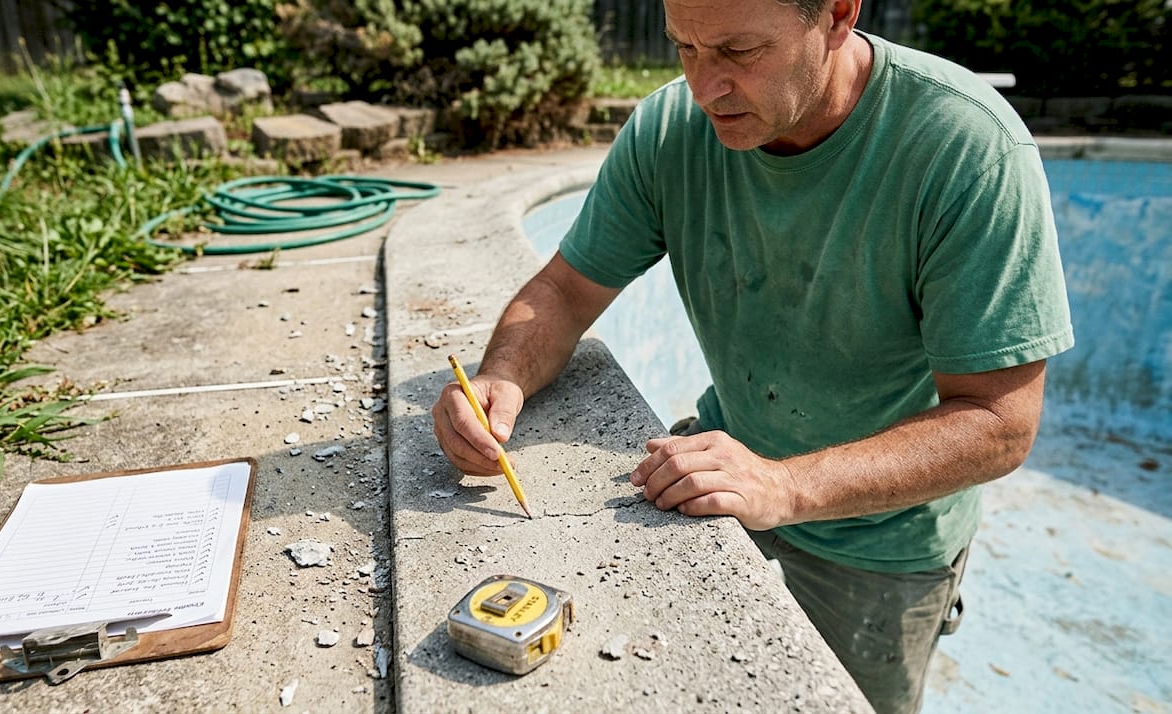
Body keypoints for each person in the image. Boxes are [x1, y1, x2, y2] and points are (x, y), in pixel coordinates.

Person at [430, 0, 1073, 711]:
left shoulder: (965, 145)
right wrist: (501, 375)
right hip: (723, 481)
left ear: (837, 13)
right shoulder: (671, 127)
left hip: (882, 549)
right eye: (685, 49)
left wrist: (784, 486)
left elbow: (1000, 421)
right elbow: (563, 290)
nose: (704, 89)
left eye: (739, 52)